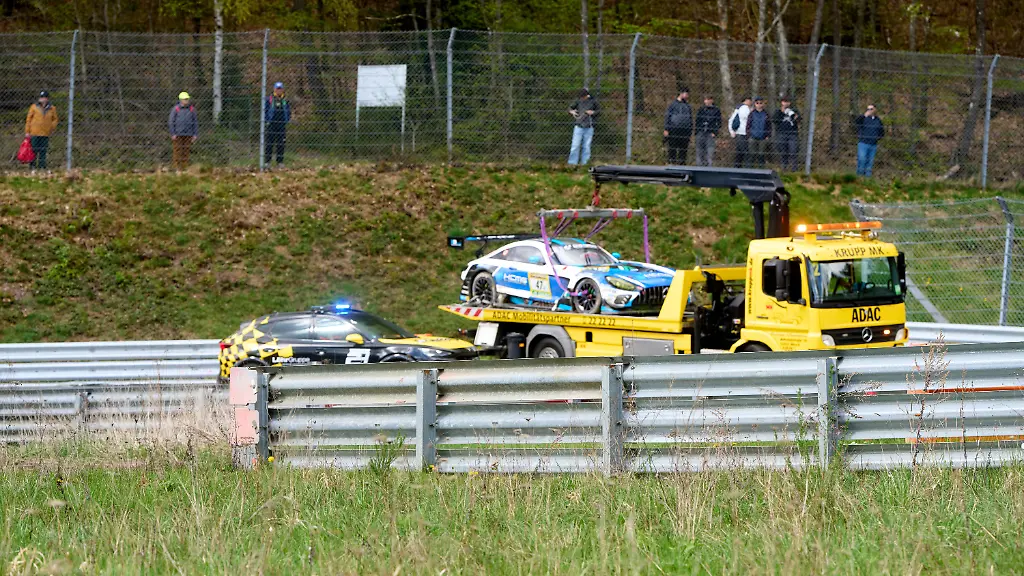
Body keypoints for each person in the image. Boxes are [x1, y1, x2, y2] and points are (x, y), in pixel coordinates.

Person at [24, 90, 59, 172]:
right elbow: (28, 119)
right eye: (41, 97)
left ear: (47, 98)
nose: (43, 99)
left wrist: (51, 127)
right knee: (34, 150)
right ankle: (32, 166)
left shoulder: (52, 108)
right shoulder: (34, 107)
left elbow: (55, 119)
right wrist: (27, 131)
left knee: (43, 151)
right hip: (34, 132)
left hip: (45, 133)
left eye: (44, 97)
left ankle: (42, 166)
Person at [168, 92, 198, 172]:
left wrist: (195, 134)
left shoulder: (192, 109)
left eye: (187, 99)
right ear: (181, 100)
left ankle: (185, 167)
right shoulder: (175, 109)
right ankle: (177, 168)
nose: (187, 100)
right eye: (185, 99)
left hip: (188, 134)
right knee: (177, 151)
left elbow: (195, 122)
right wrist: (173, 133)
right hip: (178, 134)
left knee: (186, 151)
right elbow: (171, 121)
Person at [264, 81, 292, 168]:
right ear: (274, 89)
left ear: (282, 90)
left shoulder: (285, 100)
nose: (279, 90)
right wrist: (267, 120)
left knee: (281, 143)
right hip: (271, 124)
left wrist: (287, 119)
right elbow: (265, 110)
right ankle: (267, 162)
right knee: (269, 143)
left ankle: (280, 162)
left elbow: (288, 111)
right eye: (277, 89)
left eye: (280, 89)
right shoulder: (269, 99)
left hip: (281, 124)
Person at [567, 89, 598, 166]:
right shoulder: (578, 101)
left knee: (586, 147)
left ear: (586, 96)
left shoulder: (593, 101)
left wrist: (592, 112)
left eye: (583, 97)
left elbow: (599, 111)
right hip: (579, 126)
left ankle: (585, 164)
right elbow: (570, 108)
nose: (582, 98)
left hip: (589, 127)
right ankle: (572, 163)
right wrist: (572, 111)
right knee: (575, 145)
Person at [663, 89, 693, 165]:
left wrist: (690, 131)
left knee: (683, 149)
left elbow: (690, 119)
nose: (687, 96)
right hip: (674, 129)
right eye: (686, 94)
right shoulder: (673, 105)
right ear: (681, 93)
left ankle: (681, 164)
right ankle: (671, 162)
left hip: (685, 131)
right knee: (672, 147)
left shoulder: (688, 106)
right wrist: (666, 129)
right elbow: (667, 117)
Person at [855, 104, 885, 177]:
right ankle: (859, 177)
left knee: (870, 162)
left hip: (873, 144)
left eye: (871, 109)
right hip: (863, 143)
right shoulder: (863, 118)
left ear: (875, 110)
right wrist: (864, 115)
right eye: (868, 109)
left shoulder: (878, 120)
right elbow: (856, 122)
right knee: (862, 159)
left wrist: (876, 138)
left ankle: (867, 178)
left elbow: (882, 131)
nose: (869, 110)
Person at [772, 97, 800, 172]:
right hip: (781, 134)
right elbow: (774, 120)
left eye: (787, 102)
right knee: (783, 152)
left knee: (793, 151)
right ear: (781, 102)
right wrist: (782, 112)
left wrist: (794, 116)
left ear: (790, 103)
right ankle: (784, 168)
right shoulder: (778, 111)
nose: (786, 103)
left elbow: (799, 119)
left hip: (793, 134)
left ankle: (794, 169)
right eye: (784, 102)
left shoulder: (794, 110)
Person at [694, 95, 722, 167]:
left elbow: (719, 122)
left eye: (708, 99)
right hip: (701, 132)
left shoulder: (716, 110)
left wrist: (715, 132)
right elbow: (697, 121)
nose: (706, 101)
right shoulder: (701, 109)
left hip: (710, 134)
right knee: (699, 152)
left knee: (710, 153)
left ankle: (709, 168)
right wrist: (697, 132)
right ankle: (699, 168)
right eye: (705, 99)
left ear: (711, 100)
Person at [745, 96, 772, 168]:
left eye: (761, 103)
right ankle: (749, 169)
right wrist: (749, 135)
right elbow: (748, 125)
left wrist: (768, 135)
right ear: (755, 104)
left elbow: (769, 126)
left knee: (761, 154)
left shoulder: (766, 114)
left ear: (763, 104)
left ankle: (761, 169)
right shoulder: (752, 114)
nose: (759, 104)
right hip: (752, 136)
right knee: (752, 153)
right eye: (757, 103)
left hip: (763, 137)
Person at [727, 96, 752, 168]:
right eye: (750, 100)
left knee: (739, 152)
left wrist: (731, 131)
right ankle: (747, 168)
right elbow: (748, 118)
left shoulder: (737, 108)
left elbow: (731, 120)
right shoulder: (745, 108)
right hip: (743, 132)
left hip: (738, 132)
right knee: (746, 152)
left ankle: (737, 167)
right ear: (746, 100)